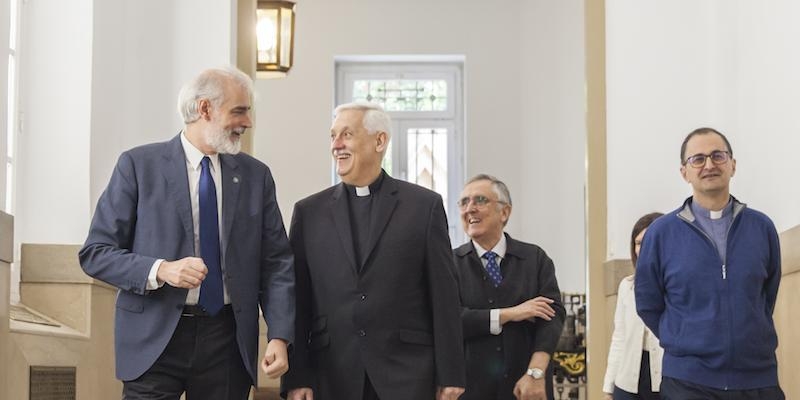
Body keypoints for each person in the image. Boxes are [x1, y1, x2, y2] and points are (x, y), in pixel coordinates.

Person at [78, 66, 295, 399]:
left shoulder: (256, 176)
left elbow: (277, 262)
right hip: (153, 339)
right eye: (239, 111)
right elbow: (95, 253)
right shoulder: (138, 166)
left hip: (227, 341)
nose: (247, 122)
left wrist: (279, 335)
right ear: (205, 109)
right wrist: (161, 269)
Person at [281, 102, 466, 400]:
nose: (336, 145)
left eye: (347, 134)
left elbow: (444, 295)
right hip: (332, 373)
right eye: (332, 136)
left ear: (379, 141)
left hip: (409, 373)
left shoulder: (423, 206)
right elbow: (297, 300)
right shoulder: (309, 212)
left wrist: (452, 373)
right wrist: (296, 376)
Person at [635, 127, 784, 399]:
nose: (709, 165)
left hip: (757, 380)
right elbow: (647, 302)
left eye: (718, 156)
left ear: (733, 165)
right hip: (687, 381)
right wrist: (682, 338)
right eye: (698, 159)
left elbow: (766, 296)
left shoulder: (761, 227)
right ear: (684, 172)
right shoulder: (661, 233)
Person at [453, 174, 565, 400]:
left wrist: (535, 373)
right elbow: (452, 320)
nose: (470, 209)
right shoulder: (450, 264)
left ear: (504, 212)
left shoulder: (535, 259)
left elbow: (552, 318)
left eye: (480, 200)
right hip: (470, 390)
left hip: (526, 389)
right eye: (464, 202)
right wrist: (511, 314)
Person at [603, 212, 664, 400]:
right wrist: (608, 388)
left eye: (647, 240)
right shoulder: (627, 286)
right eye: (637, 243)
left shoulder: (678, 285)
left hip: (665, 380)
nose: (642, 248)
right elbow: (619, 337)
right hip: (627, 383)